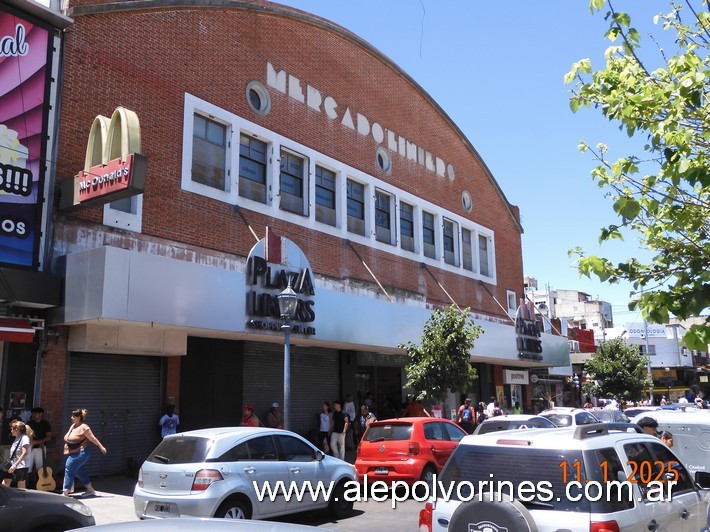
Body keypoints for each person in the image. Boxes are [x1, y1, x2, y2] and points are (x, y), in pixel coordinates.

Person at [62, 408, 107, 497]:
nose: (71, 418)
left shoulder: (84, 427)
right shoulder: (73, 426)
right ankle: (90, 490)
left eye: (73, 416)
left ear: (78, 417)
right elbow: (68, 437)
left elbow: (93, 438)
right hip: (73, 452)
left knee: (69, 467)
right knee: (79, 471)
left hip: (81, 453)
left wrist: (101, 447)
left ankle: (65, 492)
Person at [3, 420, 33, 489]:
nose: (11, 431)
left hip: (21, 466)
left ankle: (23, 499)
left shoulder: (24, 438)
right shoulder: (17, 438)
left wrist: (15, 465)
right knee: (6, 481)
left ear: (16, 430)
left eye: (12, 429)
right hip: (13, 464)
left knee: (21, 485)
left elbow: (25, 452)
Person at [27, 407, 52, 488]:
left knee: (40, 468)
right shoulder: (29, 423)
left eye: (35, 414)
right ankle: (28, 485)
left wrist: (38, 442)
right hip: (30, 447)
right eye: (33, 414)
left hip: (40, 448)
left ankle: (39, 485)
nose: (34, 415)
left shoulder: (45, 424)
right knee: (28, 467)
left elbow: (49, 437)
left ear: (41, 414)